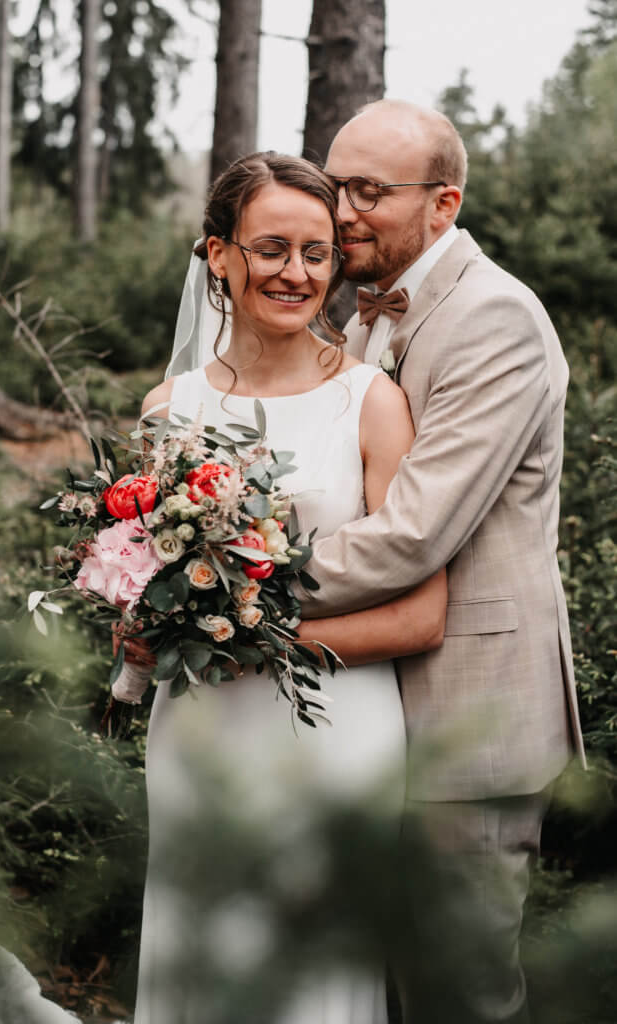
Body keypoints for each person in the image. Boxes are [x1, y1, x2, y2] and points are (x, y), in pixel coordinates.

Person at [124, 152, 448, 1024]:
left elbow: (421, 616)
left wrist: (252, 643)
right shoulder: (168, 409)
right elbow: (146, 580)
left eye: (315, 253)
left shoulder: (370, 402)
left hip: (332, 730)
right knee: (203, 948)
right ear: (218, 254)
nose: (296, 274)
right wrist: (138, 626)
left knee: (312, 970)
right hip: (199, 732)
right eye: (271, 248)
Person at [294, 100, 586, 1024]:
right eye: (333, 185)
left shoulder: (493, 317)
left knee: (456, 997)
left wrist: (236, 586)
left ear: (442, 203)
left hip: (469, 718)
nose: (341, 212)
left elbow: (415, 532)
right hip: (366, 709)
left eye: (368, 191)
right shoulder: (363, 314)